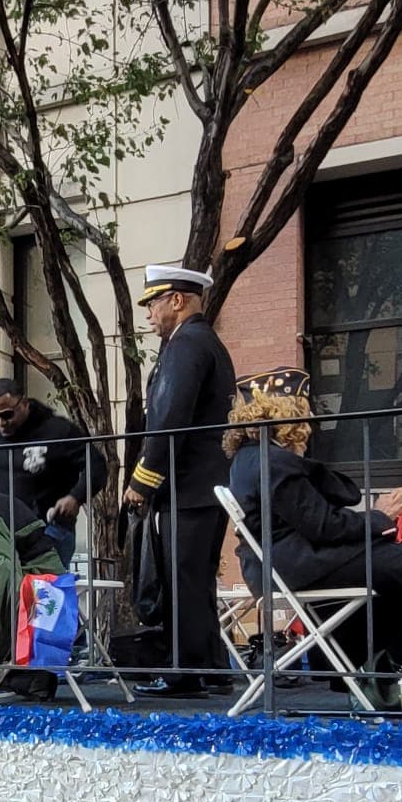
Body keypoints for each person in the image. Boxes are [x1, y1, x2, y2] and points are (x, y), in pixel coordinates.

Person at [225, 367, 402, 714]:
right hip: (298, 563)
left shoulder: (255, 458)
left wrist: (377, 521)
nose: (310, 419)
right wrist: (380, 516)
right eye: (304, 410)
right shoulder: (272, 461)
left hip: (291, 562)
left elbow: (317, 521)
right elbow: (323, 526)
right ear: (288, 413)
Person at [123, 264, 237, 698]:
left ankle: (184, 673)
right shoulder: (203, 341)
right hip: (204, 485)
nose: (149, 313)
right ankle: (212, 668)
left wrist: (143, 479)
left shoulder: (186, 343)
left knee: (181, 579)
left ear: (177, 300)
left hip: (187, 486)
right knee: (196, 579)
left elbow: (170, 418)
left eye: (154, 302)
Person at [0, 379, 93, 560]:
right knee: (5, 586)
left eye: (7, 415)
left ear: (24, 404)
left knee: (45, 586)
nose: (0, 423)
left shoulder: (57, 430)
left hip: (50, 528)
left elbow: (95, 464)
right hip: (7, 533)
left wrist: (75, 497)